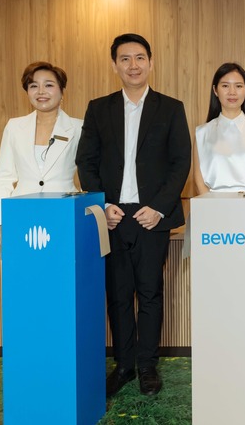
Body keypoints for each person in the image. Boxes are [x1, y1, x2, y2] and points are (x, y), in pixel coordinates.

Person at [76, 33, 191, 397]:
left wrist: (158, 207)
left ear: (151, 62)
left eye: (140, 57)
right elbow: (86, 161)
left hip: (150, 215)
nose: (133, 65)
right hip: (112, 216)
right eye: (125, 59)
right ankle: (124, 365)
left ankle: (147, 366)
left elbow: (180, 162)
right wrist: (102, 204)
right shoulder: (99, 109)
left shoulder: (170, 108)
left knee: (151, 293)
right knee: (118, 294)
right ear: (115, 65)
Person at [0, 61, 82, 232]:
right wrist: (0, 222)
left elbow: (88, 177)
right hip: (20, 213)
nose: (41, 91)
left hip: (65, 213)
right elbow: (3, 178)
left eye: (49, 85)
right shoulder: (14, 126)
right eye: (34, 86)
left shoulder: (79, 128)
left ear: (62, 90)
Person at [192, 62, 245, 194]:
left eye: (238, 86)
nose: (232, 92)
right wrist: (211, 206)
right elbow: (199, 182)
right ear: (215, 90)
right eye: (225, 86)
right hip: (212, 205)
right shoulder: (202, 133)